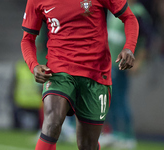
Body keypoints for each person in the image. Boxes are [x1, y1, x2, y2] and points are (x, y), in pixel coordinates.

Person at [21, 0, 139, 150]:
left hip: (95, 74)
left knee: (87, 144)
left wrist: (129, 47)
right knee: (52, 122)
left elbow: (129, 18)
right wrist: (34, 65)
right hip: (59, 71)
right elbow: (27, 39)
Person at [99, 0, 151, 149]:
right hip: (109, 62)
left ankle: (128, 137)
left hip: (121, 63)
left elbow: (148, 39)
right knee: (111, 99)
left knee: (120, 99)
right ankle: (114, 134)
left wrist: (139, 61)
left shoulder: (138, 13)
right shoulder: (114, 6)